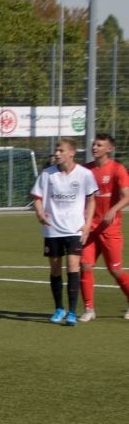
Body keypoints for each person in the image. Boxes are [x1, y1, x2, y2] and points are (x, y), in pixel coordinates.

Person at [32, 138, 99, 326]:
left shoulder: (84, 174)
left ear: (72, 153)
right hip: (52, 229)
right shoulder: (47, 174)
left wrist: (87, 225)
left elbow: (91, 200)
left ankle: (71, 312)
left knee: (73, 266)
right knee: (55, 268)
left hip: (74, 228)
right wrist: (39, 212)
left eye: (61, 150)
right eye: (56, 150)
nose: (57, 154)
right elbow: (37, 197)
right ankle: (59, 308)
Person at [82, 134, 129, 322]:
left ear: (109, 149)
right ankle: (89, 309)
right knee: (84, 266)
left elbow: (127, 196)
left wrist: (114, 209)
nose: (94, 147)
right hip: (90, 228)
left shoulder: (118, 169)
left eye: (99, 145)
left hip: (110, 229)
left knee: (115, 270)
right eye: (94, 144)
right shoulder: (86, 170)